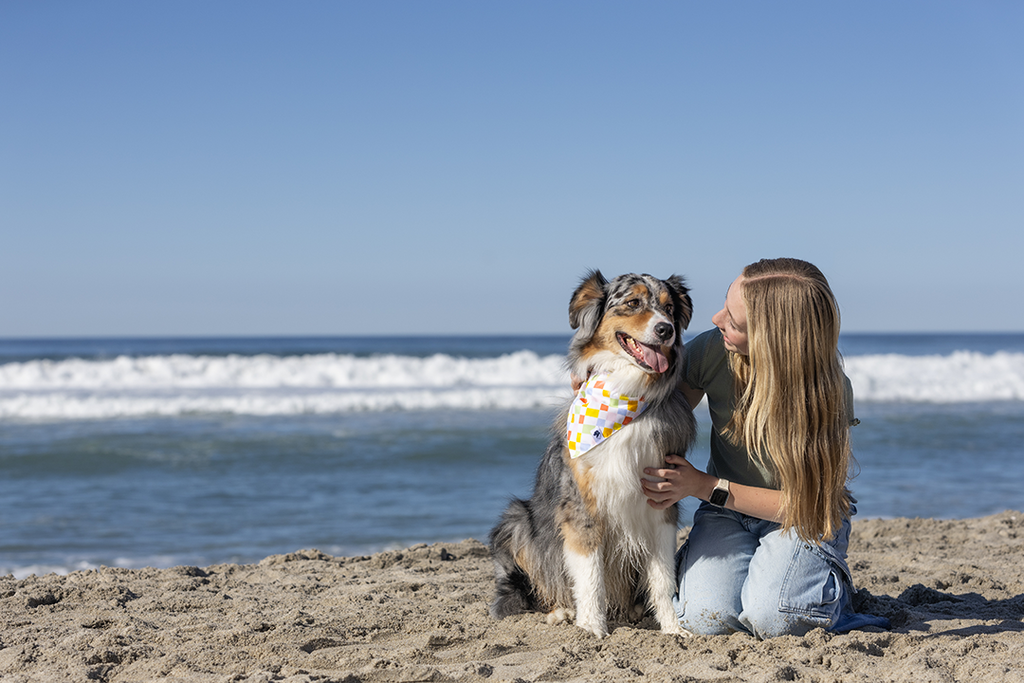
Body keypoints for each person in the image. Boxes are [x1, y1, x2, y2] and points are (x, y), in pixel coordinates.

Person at [640, 257, 889, 638]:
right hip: (726, 514)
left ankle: (834, 599)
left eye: (734, 322)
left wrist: (702, 486)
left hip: (802, 519)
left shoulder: (829, 393)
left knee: (778, 618)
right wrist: (599, 380)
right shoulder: (713, 350)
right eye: (725, 304)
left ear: (772, 341)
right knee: (705, 619)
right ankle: (778, 575)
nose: (715, 318)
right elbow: (655, 408)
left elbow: (808, 506)